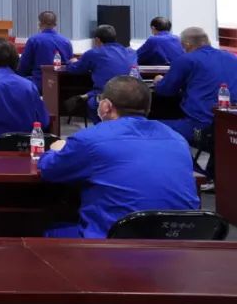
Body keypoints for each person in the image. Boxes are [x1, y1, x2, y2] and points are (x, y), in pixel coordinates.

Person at [39, 76, 199, 238]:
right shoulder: (177, 139)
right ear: (148, 107)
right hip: (180, 240)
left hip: (116, 243)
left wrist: (55, 150)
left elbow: (49, 170)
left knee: (44, 229)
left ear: (106, 106)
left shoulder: (90, 139)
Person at [153, 26, 237, 144]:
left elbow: (165, 90)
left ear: (187, 44)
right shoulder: (232, 58)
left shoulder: (186, 59)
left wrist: (159, 81)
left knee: (150, 126)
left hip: (200, 126)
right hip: (229, 125)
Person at [65, 25, 137, 122]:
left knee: (92, 104)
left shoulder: (94, 53)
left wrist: (71, 62)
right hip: (132, 95)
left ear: (97, 40)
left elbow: (75, 69)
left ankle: (102, 127)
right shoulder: (131, 53)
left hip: (107, 95)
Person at [17, 11, 74, 90]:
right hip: (61, 84)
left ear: (39, 24)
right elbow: (70, 64)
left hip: (38, 83)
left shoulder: (34, 40)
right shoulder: (66, 42)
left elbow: (24, 66)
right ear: (55, 24)